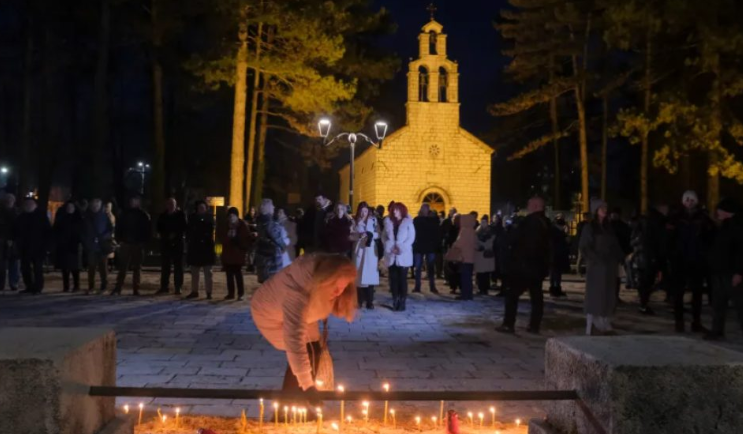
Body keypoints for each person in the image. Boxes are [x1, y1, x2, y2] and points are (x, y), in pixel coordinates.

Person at [250, 254, 357, 396]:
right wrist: (308, 386)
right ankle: (289, 409)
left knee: (314, 349)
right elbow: (294, 340)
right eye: (335, 286)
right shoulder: (298, 292)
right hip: (269, 315)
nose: (338, 292)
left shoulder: (317, 284)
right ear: (325, 280)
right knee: (306, 350)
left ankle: (303, 405)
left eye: (343, 287)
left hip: (296, 314)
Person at [496, 197, 552, 334]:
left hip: (524, 266)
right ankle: (534, 326)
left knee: (512, 294)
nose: (527, 207)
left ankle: (508, 324)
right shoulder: (546, 223)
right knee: (536, 297)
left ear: (535, 206)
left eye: (529, 204)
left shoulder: (528, 222)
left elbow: (515, 239)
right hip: (538, 267)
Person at [668, 190, 714, 333]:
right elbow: (668, 238)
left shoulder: (703, 217)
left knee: (697, 293)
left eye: (692, 200)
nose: (689, 202)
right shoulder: (675, 217)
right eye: (687, 200)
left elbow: (710, 237)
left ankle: (696, 322)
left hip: (696, 260)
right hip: (679, 260)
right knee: (678, 293)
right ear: (683, 201)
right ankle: (679, 322)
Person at [580, 200, 625, 335]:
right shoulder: (590, 228)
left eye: (606, 207)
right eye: (602, 207)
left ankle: (605, 321)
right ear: (595, 210)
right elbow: (585, 247)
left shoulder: (608, 227)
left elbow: (615, 245)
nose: (605, 209)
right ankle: (592, 323)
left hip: (609, 267)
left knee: (608, 294)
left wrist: (621, 257)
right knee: (596, 295)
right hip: (596, 268)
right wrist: (595, 259)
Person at [704, 199, 743, 341]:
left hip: (732, 272)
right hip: (720, 271)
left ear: (727, 212)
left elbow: (740, 251)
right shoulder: (725, 226)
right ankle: (717, 330)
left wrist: (739, 272)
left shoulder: (738, 226)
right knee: (718, 304)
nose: (717, 213)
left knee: (740, 305)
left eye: (719, 210)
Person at [630, 204, 668, 315]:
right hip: (650, 256)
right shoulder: (657, 222)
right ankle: (643, 304)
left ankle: (643, 304)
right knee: (647, 281)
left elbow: (633, 240)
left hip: (642, 256)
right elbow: (660, 242)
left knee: (644, 282)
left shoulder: (642, 223)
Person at [112, 196, 151, 296]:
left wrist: (143, 242)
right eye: (132, 200)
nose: (134, 202)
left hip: (137, 244)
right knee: (123, 267)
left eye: (136, 200)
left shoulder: (143, 215)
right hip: (126, 243)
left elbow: (147, 230)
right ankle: (118, 287)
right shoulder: (125, 214)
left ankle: (136, 288)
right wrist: (119, 239)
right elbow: (118, 227)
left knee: (137, 267)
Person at [15, 197, 51, 294]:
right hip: (24, 248)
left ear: (35, 205)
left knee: (37, 269)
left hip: (38, 247)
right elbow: (16, 232)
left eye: (31, 204)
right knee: (25, 268)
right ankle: (29, 286)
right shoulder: (21, 217)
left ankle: (38, 287)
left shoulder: (41, 216)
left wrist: (47, 247)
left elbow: (48, 232)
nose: (28, 206)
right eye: (26, 204)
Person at [384, 202, 415, 311]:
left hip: (403, 255)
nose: (394, 211)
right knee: (393, 279)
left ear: (402, 210)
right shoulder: (388, 222)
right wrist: (389, 247)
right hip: (391, 254)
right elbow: (384, 237)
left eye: (396, 209)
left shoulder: (408, 222)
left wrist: (401, 248)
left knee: (402, 279)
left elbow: (411, 238)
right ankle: (395, 299)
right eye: (393, 209)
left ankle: (402, 301)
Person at [351, 202, 380, 309]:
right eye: (362, 211)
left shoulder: (373, 221)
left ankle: (369, 301)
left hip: (370, 250)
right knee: (358, 275)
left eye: (366, 211)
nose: (364, 213)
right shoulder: (354, 221)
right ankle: (359, 301)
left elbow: (379, 234)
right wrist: (358, 235)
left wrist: (371, 235)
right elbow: (351, 235)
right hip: (359, 250)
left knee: (370, 276)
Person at [156, 198, 187, 295]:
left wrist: (175, 234)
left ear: (175, 205)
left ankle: (178, 286)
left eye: (172, 204)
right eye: (169, 204)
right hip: (166, 243)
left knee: (178, 266)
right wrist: (165, 236)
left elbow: (184, 227)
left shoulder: (180, 215)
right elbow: (159, 228)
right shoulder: (163, 216)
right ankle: (164, 286)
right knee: (165, 266)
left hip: (177, 243)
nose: (170, 206)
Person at [185, 200, 216, 300]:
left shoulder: (210, 219)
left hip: (206, 248)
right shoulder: (192, 218)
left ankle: (209, 292)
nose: (201, 209)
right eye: (199, 208)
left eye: (203, 208)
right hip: (195, 247)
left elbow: (210, 230)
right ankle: (194, 291)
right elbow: (189, 231)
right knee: (194, 272)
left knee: (208, 272)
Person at [83, 198, 114, 294]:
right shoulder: (87, 216)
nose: (95, 207)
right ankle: (91, 287)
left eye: (97, 205)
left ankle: (104, 287)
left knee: (103, 268)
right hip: (92, 246)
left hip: (102, 246)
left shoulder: (104, 216)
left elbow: (110, 229)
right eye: (93, 205)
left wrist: (103, 237)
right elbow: (83, 231)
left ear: (100, 206)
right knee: (91, 268)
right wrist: (87, 242)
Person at [219, 207, 251, 300]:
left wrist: (238, 241)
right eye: (230, 216)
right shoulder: (225, 226)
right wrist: (228, 238)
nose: (231, 217)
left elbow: (246, 239)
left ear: (237, 216)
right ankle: (231, 293)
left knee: (238, 274)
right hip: (228, 254)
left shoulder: (242, 225)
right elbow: (222, 238)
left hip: (238, 254)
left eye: (233, 215)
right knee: (229, 275)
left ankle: (240, 293)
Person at [53, 200, 83, 292]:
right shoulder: (61, 218)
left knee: (75, 267)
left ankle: (76, 286)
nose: (70, 209)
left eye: (72, 207)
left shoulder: (78, 219)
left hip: (75, 245)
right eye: (68, 207)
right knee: (65, 268)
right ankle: (66, 286)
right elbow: (56, 231)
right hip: (64, 245)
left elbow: (81, 232)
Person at [255, 199, 287, 284]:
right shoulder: (269, 223)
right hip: (272, 259)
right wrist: (284, 246)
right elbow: (277, 237)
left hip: (263, 257)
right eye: (272, 205)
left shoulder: (260, 221)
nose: (274, 207)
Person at [448, 212, 477, 300]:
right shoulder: (472, 230)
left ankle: (465, 295)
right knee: (469, 277)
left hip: (464, 257)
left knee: (465, 277)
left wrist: (454, 245)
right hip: (471, 257)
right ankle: (469, 294)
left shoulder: (464, 230)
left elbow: (459, 243)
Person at [413, 204, 440, 294]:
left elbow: (436, 233)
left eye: (426, 209)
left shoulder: (432, 220)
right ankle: (417, 286)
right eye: (423, 209)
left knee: (431, 268)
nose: (424, 210)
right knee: (418, 267)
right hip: (420, 246)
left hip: (429, 246)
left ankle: (432, 286)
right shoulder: (417, 220)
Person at [610, 207, 632, 300]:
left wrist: (626, 253)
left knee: (616, 277)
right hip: (609, 254)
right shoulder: (606, 225)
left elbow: (627, 240)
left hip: (618, 254)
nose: (614, 215)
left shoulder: (623, 226)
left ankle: (615, 296)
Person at [0, 194, 20, 291]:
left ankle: (14, 283)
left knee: (14, 262)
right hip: (2, 240)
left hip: (13, 241)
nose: (9, 202)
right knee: (2, 264)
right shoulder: (2, 212)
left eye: (11, 200)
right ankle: (1, 284)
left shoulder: (16, 212)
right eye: (7, 200)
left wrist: (13, 239)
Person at [549, 214, 570, 298]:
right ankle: (555, 289)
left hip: (554, 256)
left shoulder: (554, 231)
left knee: (555, 274)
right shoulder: (556, 232)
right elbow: (565, 242)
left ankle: (555, 289)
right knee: (556, 274)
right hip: (556, 256)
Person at [475, 214, 496, 295]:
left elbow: (491, 241)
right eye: (482, 221)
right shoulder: (478, 230)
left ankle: (485, 289)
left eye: (485, 222)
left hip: (486, 254)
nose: (483, 223)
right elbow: (475, 239)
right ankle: (481, 288)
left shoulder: (490, 231)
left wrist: (484, 245)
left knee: (486, 274)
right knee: (480, 273)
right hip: (480, 255)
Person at [574, 212, 591, 276]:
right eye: (589, 216)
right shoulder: (582, 224)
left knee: (585, 258)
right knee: (581, 257)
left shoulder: (584, 224)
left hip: (586, 243)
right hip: (583, 243)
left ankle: (584, 271)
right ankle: (578, 271)